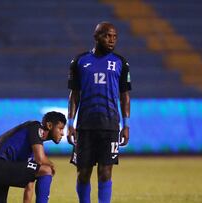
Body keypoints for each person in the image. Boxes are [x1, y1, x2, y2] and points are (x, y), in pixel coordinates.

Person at [67, 21, 132, 203]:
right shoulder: (79, 61)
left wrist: (126, 126)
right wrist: (70, 124)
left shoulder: (121, 63)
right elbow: (74, 95)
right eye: (107, 36)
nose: (112, 40)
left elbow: (125, 96)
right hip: (85, 126)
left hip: (110, 125)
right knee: (83, 173)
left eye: (114, 37)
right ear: (96, 37)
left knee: (105, 172)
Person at [0, 111, 66, 203]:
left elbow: (29, 185)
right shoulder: (35, 126)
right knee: (47, 169)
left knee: (43, 169)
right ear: (49, 126)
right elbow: (41, 160)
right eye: (60, 128)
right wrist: (52, 166)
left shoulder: (30, 146)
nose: (62, 133)